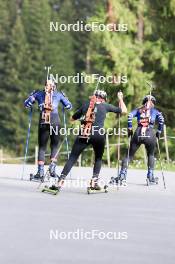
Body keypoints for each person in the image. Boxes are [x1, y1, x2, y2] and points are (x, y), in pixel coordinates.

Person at [49, 89, 127, 191]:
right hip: (99, 135)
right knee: (98, 158)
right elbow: (124, 111)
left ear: (94, 97)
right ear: (103, 99)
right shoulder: (106, 106)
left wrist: (81, 118)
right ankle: (94, 182)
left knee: (72, 158)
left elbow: (72, 119)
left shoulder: (86, 105)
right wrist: (120, 99)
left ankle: (60, 182)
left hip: (84, 133)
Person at [110, 95, 164, 185]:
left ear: (144, 102)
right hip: (150, 133)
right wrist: (159, 131)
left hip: (138, 133)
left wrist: (130, 129)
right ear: (153, 103)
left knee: (129, 155)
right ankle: (150, 177)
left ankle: (122, 175)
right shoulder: (155, 111)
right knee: (150, 155)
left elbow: (130, 116)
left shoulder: (139, 110)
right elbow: (161, 120)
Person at [24, 79, 72, 180]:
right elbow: (68, 106)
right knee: (54, 145)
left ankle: (40, 172)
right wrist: (65, 98)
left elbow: (27, 104)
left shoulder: (38, 94)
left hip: (43, 122)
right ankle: (52, 171)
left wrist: (30, 97)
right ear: (54, 86)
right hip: (55, 122)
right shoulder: (58, 94)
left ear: (45, 85)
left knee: (42, 147)